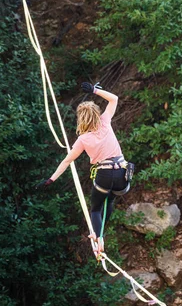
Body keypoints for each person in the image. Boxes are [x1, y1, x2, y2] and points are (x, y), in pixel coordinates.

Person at [40, 82, 130, 257]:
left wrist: (51, 179)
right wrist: (95, 90)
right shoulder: (105, 122)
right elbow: (114, 99)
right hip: (122, 175)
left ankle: (99, 238)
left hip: (104, 175)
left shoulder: (83, 139)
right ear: (96, 113)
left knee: (96, 209)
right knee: (109, 201)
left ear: (81, 119)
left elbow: (67, 161)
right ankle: (100, 234)